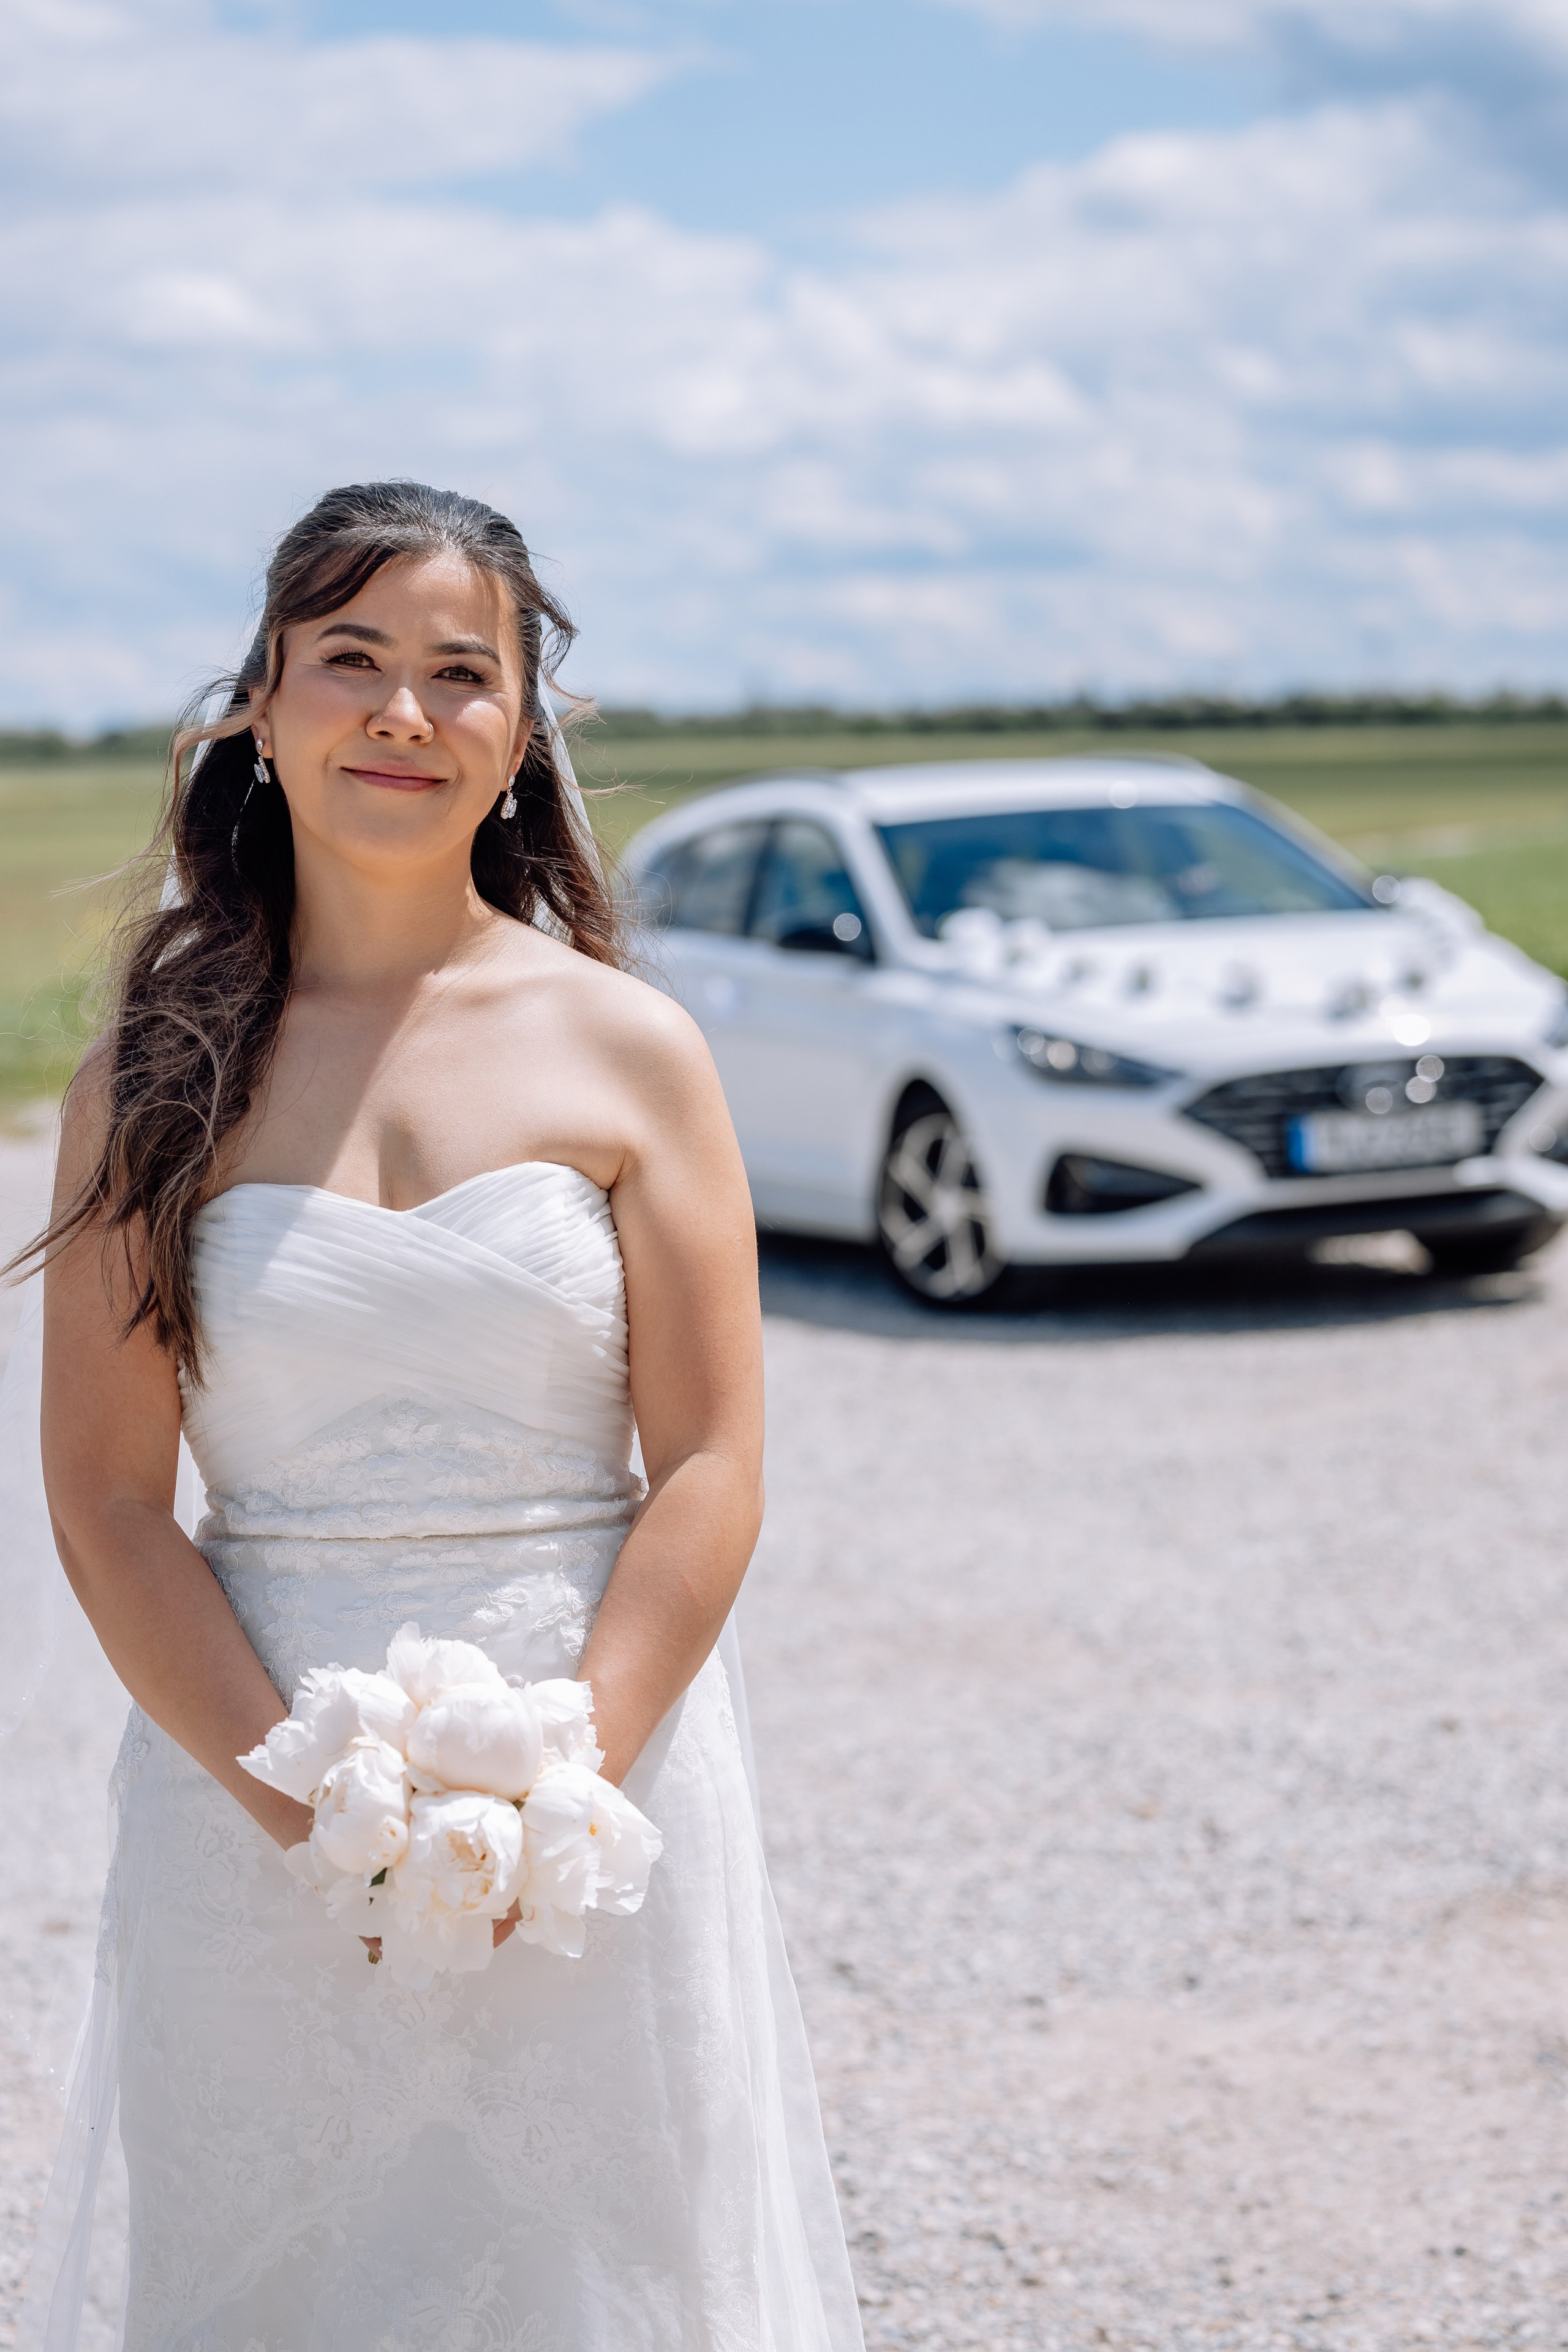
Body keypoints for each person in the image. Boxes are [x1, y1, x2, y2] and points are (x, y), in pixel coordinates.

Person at [16, 481, 864, 2350]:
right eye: (352, 661)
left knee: (608, 2266)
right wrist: (313, 1811)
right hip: (253, 1786)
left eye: (459, 673)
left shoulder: (630, 1047)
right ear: (260, 704)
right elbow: (107, 1502)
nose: (404, 713)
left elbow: (713, 1460)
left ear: (515, 732)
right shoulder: (151, 1076)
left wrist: (566, 1779)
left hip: (594, 1796)